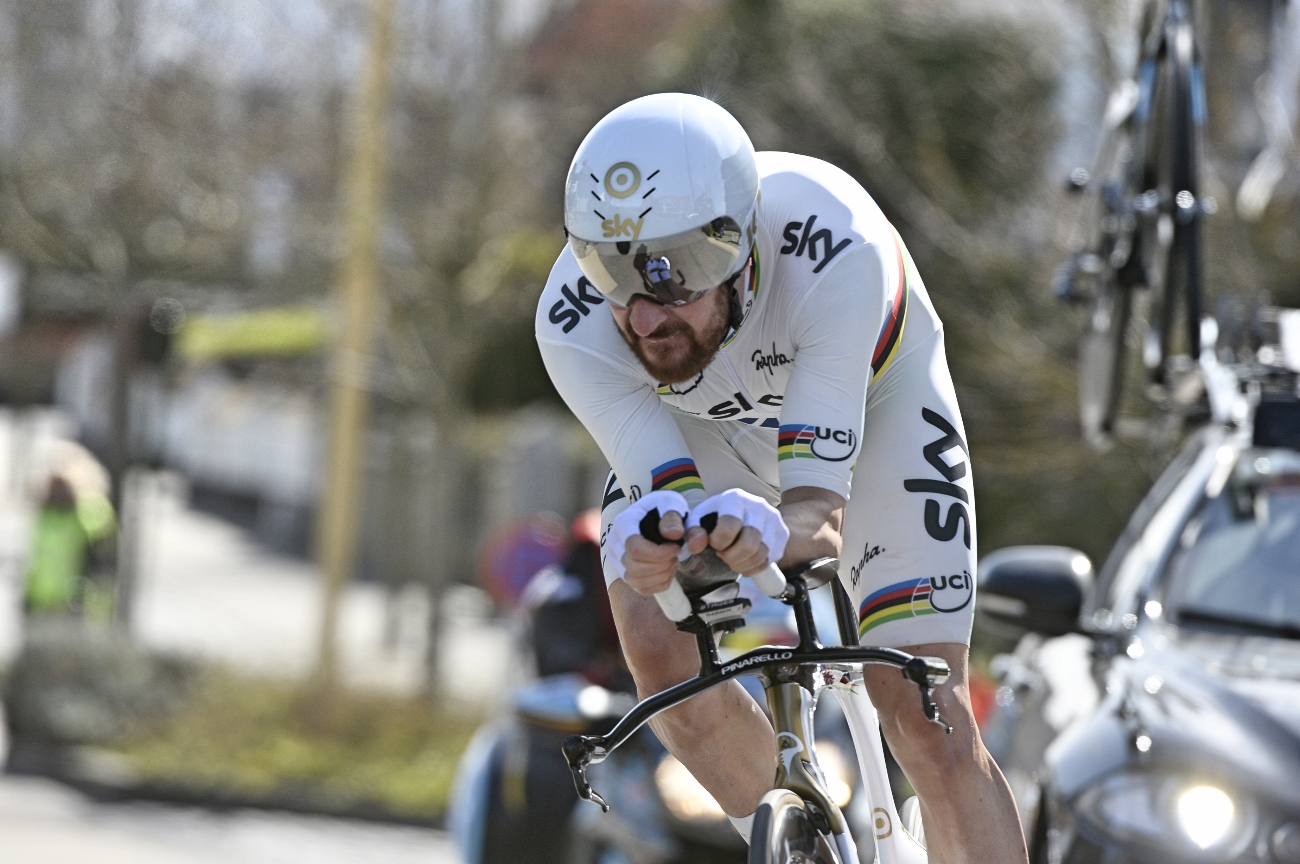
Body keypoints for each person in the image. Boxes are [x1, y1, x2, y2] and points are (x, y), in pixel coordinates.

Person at [535, 93, 1027, 862]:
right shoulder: (571, 323)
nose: (642, 318)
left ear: (739, 247)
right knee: (657, 645)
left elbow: (816, 519)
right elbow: (677, 520)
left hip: (879, 403)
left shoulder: (836, 243)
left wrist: (775, 532)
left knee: (926, 717)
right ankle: (802, 844)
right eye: (612, 272)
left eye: (670, 276)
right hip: (712, 432)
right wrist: (663, 554)